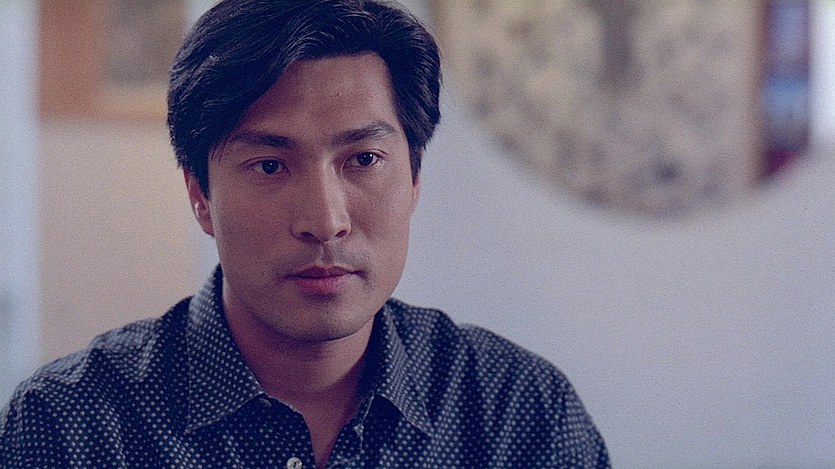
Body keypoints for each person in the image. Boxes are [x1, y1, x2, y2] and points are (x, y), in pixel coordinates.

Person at [0, 0, 609, 467]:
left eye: (363, 159)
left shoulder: (520, 414)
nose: (325, 220)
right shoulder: (71, 427)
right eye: (270, 166)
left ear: (415, 180)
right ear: (200, 196)